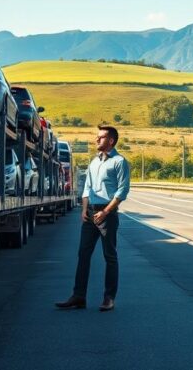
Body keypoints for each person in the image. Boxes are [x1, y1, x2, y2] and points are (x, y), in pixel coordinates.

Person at [55, 125, 130, 312]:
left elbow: (122, 191)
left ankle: (109, 298)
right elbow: (87, 187)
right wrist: (84, 209)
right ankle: (79, 296)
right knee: (83, 254)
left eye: (101, 137)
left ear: (111, 140)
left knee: (110, 256)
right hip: (90, 214)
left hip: (107, 214)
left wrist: (105, 212)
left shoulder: (120, 162)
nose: (97, 140)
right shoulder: (94, 162)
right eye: (97, 137)